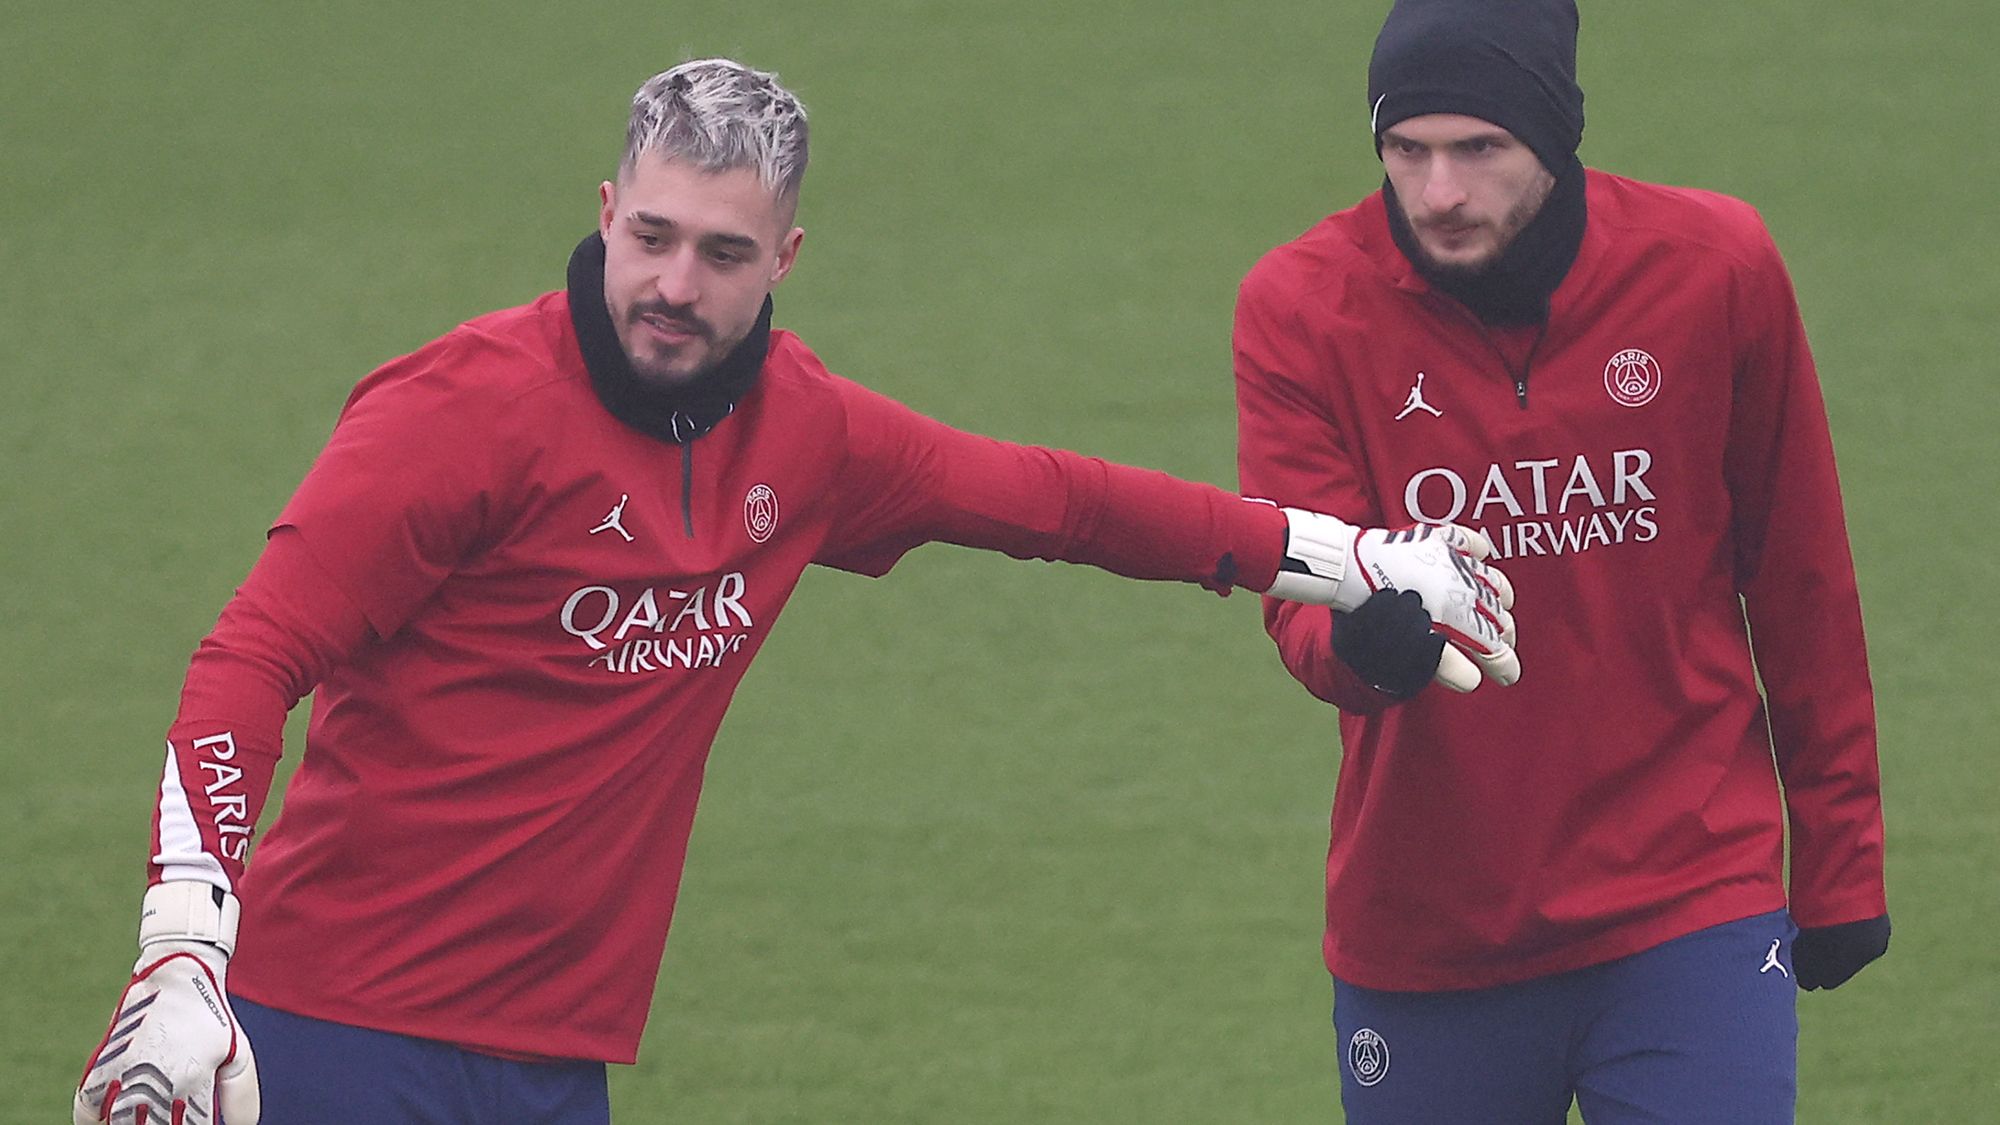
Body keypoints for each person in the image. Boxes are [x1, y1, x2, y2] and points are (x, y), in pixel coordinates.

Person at [72, 58, 1520, 1125]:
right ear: (604, 209)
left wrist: (1344, 557)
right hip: (332, 1030)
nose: (673, 286)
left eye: (720, 254)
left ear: (786, 259)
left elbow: (1054, 503)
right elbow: (250, 656)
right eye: (650, 236)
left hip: (554, 1055)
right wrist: (185, 950)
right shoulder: (458, 415)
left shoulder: (810, 438)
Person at [1231, 2, 1888, 1121]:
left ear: (1555, 135)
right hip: (1431, 934)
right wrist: (1359, 643)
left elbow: (1801, 580)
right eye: (1406, 151)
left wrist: (1840, 862)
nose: (1437, 192)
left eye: (1477, 150)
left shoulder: (1713, 269)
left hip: (1690, 899)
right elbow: (1298, 596)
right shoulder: (1299, 308)